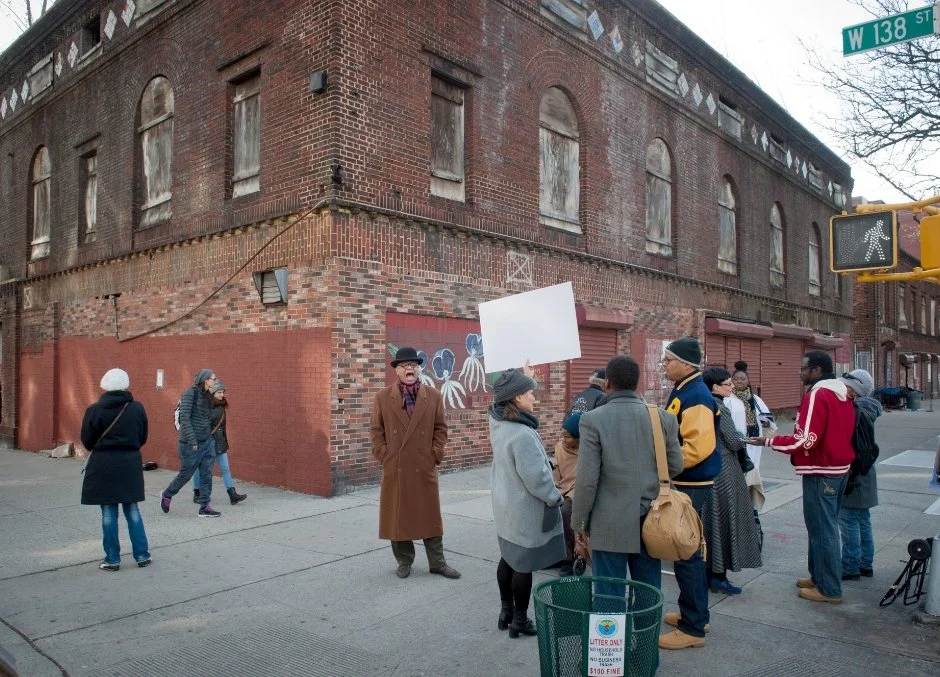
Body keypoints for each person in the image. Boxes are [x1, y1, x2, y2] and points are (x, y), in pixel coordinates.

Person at [572, 355, 683, 605]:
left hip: (608, 521)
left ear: (607, 383)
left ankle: (612, 644)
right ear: (637, 383)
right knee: (648, 591)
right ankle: (645, 642)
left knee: (608, 592)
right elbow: (676, 465)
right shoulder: (663, 418)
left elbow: (587, 480)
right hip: (653, 518)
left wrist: (579, 523)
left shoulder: (593, 420)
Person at [750, 351, 855, 604]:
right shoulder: (841, 392)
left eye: (804, 368)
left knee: (823, 529)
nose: (800, 372)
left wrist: (768, 441)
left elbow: (805, 439)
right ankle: (819, 576)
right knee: (822, 527)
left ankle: (829, 588)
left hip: (822, 470)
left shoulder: (818, 394)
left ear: (817, 370)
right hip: (839, 468)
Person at [370, 347, 461, 580]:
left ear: (418, 369)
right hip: (396, 467)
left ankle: (438, 563)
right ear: (397, 372)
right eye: (404, 365)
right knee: (398, 517)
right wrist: (384, 454)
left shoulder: (433, 396)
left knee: (429, 516)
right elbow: (376, 431)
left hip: (423, 465)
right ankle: (404, 561)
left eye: (413, 364)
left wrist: (435, 453)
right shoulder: (382, 398)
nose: (409, 368)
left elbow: (441, 428)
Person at [489, 366, 565, 638]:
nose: (535, 397)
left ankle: (505, 612)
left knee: (508, 558)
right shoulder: (521, 434)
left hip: (505, 503)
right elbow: (538, 481)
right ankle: (520, 621)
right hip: (524, 508)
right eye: (530, 392)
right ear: (517, 398)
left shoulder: (498, 421)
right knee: (523, 565)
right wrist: (556, 498)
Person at [659, 337, 720, 650]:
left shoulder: (695, 394)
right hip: (687, 481)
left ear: (685, 363)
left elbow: (698, 447)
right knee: (687, 552)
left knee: (686, 552)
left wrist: (664, 467)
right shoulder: (685, 388)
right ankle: (694, 614)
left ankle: (693, 627)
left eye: (669, 360)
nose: (665, 365)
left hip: (691, 482)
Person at [80, 368, 151, 571]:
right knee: (133, 510)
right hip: (129, 462)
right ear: (126, 385)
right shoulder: (137, 408)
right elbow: (142, 436)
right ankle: (142, 555)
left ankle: (112, 559)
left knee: (109, 513)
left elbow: (87, 440)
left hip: (104, 464)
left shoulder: (94, 410)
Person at [701, 367, 762, 594]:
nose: (732, 387)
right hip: (725, 470)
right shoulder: (720, 408)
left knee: (712, 523)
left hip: (708, 467)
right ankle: (718, 575)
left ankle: (710, 573)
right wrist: (745, 439)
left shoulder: (703, 404)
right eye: (727, 383)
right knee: (726, 522)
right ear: (715, 387)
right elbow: (734, 442)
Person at [838, 369, 881, 580]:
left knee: (848, 521)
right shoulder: (867, 408)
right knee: (862, 520)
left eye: (846, 386)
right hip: (865, 472)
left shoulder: (857, 410)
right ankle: (865, 563)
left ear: (856, 390)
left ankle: (850, 566)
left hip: (856, 473)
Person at [161, 369, 221, 517]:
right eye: (213, 378)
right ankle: (168, 494)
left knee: (207, 474)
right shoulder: (190, 393)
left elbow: (206, 419)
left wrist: (210, 439)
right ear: (205, 379)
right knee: (185, 475)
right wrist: (192, 439)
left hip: (207, 442)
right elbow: (184, 418)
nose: (215, 380)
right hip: (190, 444)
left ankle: (205, 506)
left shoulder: (208, 396)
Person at [192, 380, 247, 505]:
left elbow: (222, 429)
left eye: (223, 392)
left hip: (220, 442)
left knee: (225, 468)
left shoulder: (221, 406)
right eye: (219, 392)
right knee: (200, 469)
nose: (222, 395)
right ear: (212, 393)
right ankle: (197, 492)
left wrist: (226, 443)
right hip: (206, 443)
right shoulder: (204, 407)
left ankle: (232, 494)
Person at [730, 362, 776, 511]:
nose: (739, 382)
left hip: (754, 443)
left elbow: (767, 420)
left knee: (752, 469)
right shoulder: (728, 399)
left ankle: (749, 500)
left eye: (742, 379)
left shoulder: (756, 400)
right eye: (736, 379)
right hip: (736, 443)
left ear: (748, 381)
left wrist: (766, 425)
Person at [552, 412, 582, 576]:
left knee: (565, 511)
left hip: (578, 489)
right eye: (562, 436)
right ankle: (556, 555)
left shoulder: (588, 451)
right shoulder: (559, 448)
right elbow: (557, 471)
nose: (563, 440)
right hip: (562, 487)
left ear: (578, 438)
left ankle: (568, 559)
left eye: (568, 437)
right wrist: (554, 489)